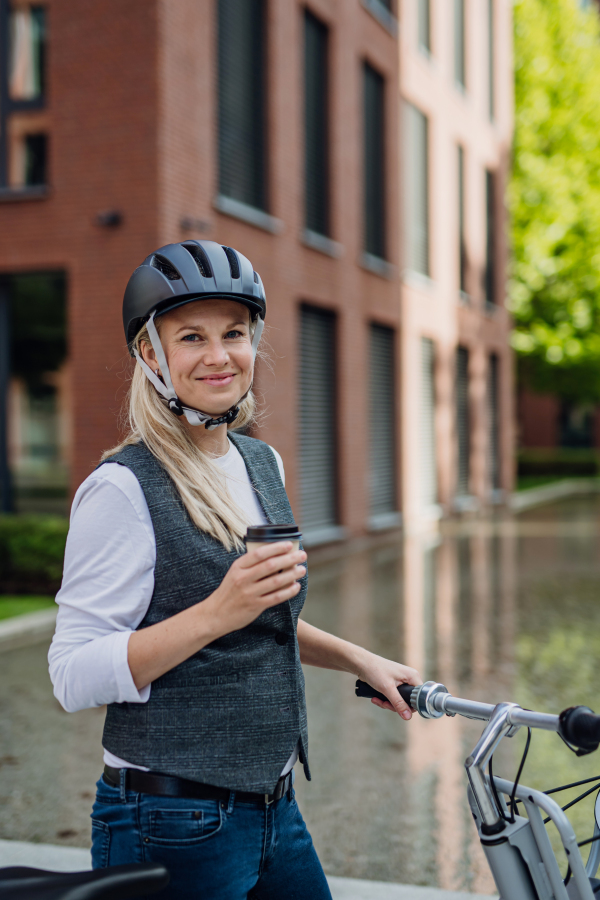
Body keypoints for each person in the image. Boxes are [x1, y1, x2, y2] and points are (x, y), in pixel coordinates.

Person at [49, 240, 420, 900]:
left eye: (235, 333)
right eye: (191, 336)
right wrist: (217, 610)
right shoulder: (121, 489)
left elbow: (262, 619)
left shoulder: (261, 464)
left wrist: (362, 660)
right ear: (149, 353)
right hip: (168, 819)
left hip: (274, 809)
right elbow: (72, 675)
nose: (219, 356)